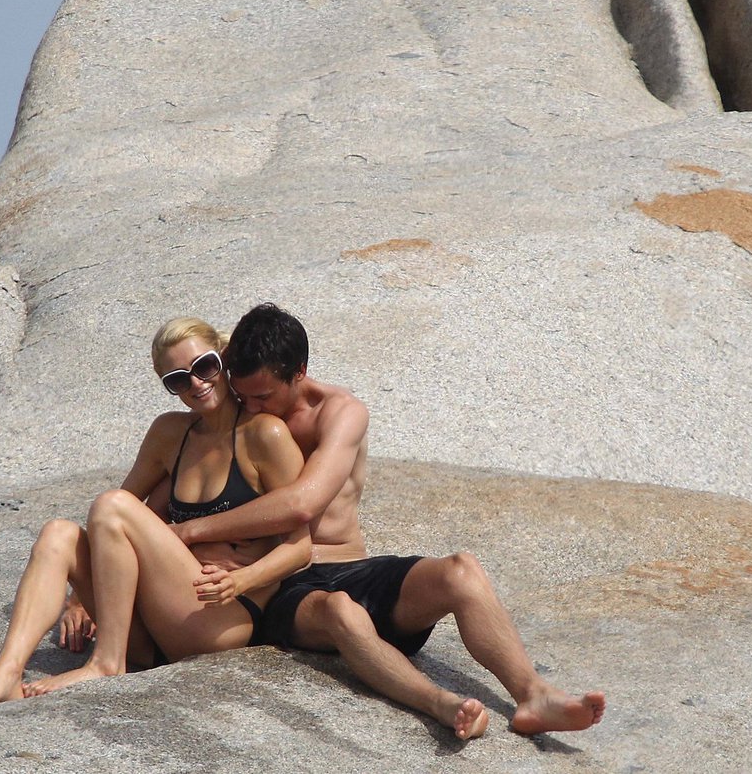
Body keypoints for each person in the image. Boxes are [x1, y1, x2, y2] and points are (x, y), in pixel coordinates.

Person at [170, 303, 604, 739]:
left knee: (461, 570)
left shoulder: (341, 413)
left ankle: (533, 693)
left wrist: (191, 531)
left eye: (263, 396)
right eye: (243, 395)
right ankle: (442, 704)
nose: (252, 405)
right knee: (341, 609)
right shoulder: (235, 423)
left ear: (299, 372)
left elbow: (302, 504)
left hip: (352, 566)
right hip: (286, 584)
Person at [0, 317, 309, 706]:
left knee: (113, 506)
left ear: (223, 359)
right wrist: (79, 599)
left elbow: (301, 546)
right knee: (59, 533)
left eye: (204, 366)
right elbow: (109, 524)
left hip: (218, 617)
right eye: (177, 379)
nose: (196, 383)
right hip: (155, 624)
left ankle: (107, 662)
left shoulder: (265, 434)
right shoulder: (170, 434)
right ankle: (6, 672)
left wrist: (244, 580)